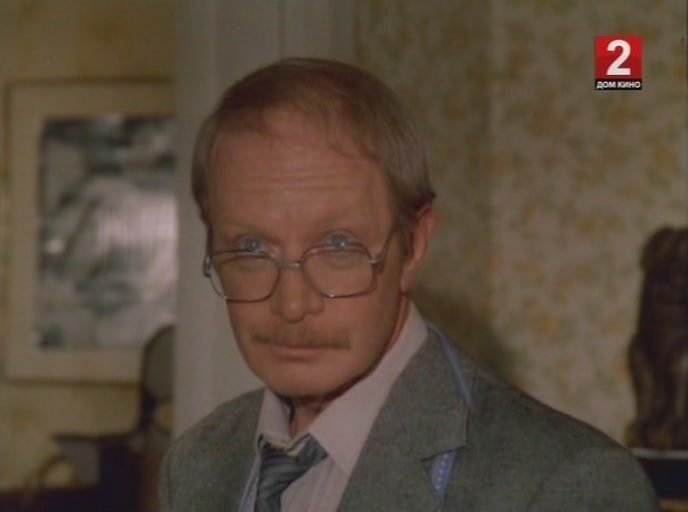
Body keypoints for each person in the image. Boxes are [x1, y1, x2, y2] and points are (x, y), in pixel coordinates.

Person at [159, 58, 658, 511]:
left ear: (414, 245)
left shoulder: (566, 484)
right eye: (251, 249)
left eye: (338, 246)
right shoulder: (196, 462)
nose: (291, 305)